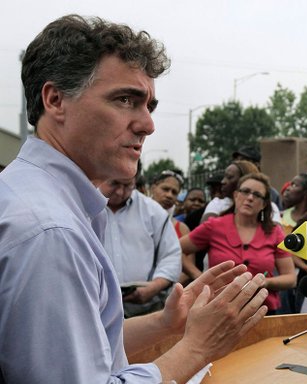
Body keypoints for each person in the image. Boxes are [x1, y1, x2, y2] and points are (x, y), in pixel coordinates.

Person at [0, 15, 268, 383]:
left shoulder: (41, 201)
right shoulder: (51, 232)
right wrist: (196, 349)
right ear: (55, 99)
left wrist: (165, 322)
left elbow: (84, 348)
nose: (147, 124)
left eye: (149, 106)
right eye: (125, 99)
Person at [179, 173, 296, 315]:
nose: (250, 198)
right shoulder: (214, 226)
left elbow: (290, 278)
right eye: (245, 191)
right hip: (216, 308)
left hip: (261, 311)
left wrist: (265, 282)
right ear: (236, 195)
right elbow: (176, 250)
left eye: (257, 195)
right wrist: (200, 277)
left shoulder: (274, 231)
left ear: (264, 204)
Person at [100, 174, 182, 318]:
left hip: (143, 310)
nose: (120, 192)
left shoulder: (154, 212)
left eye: (127, 185)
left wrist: (155, 286)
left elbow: (171, 255)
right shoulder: (82, 206)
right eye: (114, 183)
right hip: (95, 308)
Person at [278, 172, 307, 313]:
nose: (289, 188)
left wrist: (305, 268)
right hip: (283, 277)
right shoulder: (281, 216)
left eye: (295, 185)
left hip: (305, 280)